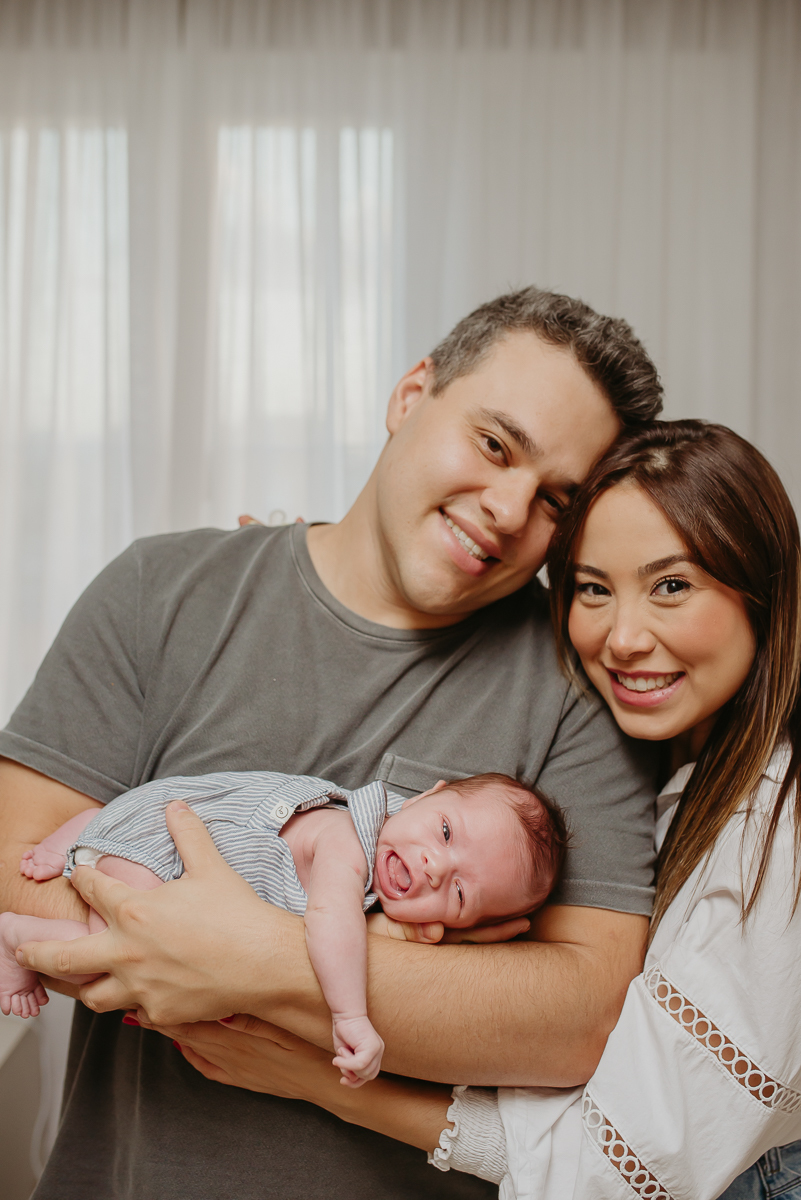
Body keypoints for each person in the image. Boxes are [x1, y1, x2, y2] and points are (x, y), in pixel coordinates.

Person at [2, 286, 663, 1200]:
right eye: (493, 443)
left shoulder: (577, 687)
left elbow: (582, 1018)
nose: (510, 508)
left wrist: (251, 959)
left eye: (555, 498)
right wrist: (393, 968)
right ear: (410, 396)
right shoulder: (160, 590)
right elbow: (17, 864)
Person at [167, 421, 801, 1200]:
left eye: (671, 585)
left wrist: (321, 1080)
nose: (623, 637)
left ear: (763, 589)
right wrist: (316, 567)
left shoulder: (775, 831)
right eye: (593, 589)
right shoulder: (669, 755)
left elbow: (619, 1167)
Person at [1, 769, 565, 1090]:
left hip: (146, 816)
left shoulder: (374, 837)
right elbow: (328, 923)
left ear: (453, 925)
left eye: (459, 893)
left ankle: (77, 840)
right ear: (427, 794)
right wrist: (351, 1018)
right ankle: (17, 937)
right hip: (155, 849)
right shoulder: (344, 838)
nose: (434, 865)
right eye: (444, 831)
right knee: (121, 955)